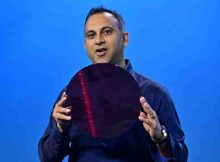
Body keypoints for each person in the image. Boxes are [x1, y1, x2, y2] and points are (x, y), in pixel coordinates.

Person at [38, 7, 188, 162]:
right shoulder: (70, 95)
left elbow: (181, 156)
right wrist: (60, 129)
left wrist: (161, 137)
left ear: (125, 39)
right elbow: (47, 158)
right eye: (91, 35)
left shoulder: (154, 93)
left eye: (107, 32)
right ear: (85, 45)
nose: (98, 40)